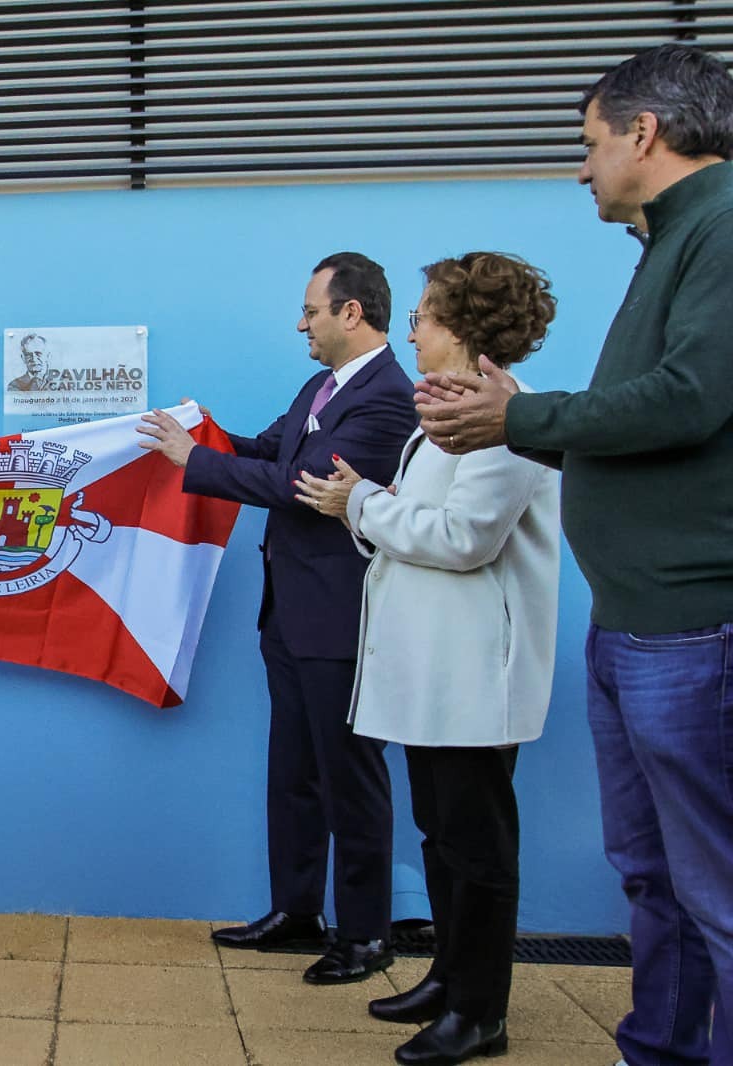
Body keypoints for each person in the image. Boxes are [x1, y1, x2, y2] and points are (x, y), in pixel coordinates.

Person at [414, 44, 733, 1066]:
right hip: (640, 622)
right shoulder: (676, 240)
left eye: (589, 143)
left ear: (645, 133)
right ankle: (661, 1049)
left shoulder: (722, 228)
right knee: (652, 873)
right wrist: (511, 425)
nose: (580, 167)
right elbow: (635, 421)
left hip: (693, 627)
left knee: (713, 886)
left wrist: (521, 414)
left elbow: (688, 400)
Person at [296, 253, 560, 1064]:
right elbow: (413, 519)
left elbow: (463, 539)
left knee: (478, 849)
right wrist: (366, 505)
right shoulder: (437, 416)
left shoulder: (502, 422)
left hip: (476, 672)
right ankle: (449, 977)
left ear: (461, 327)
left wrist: (360, 503)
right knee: (439, 835)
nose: (412, 328)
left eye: (421, 315)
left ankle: (481, 1012)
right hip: (431, 671)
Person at [137, 252, 416, 984]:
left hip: (339, 617)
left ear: (351, 312)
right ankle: (297, 912)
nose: (302, 323)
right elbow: (270, 449)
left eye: (312, 310)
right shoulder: (320, 385)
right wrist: (198, 434)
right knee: (293, 771)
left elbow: (309, 484)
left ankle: (365, 935)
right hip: (289, 614)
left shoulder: (389, 397)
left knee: (349, 777)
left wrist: (192, 461)